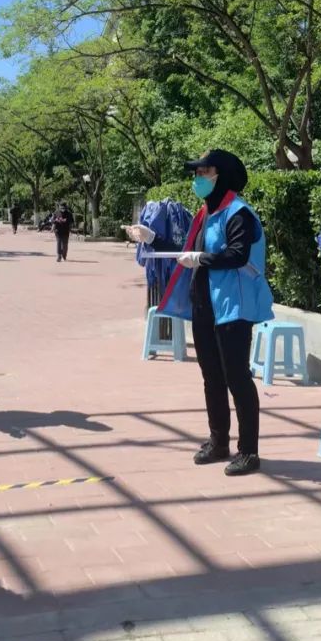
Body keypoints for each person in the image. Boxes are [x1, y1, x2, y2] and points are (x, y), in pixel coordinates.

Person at [124, 149, 274, 476]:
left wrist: (202, 259)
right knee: (212, 377)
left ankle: (249, 451)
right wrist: (151, 238)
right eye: (196, 174)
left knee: (237, 378)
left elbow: (237, 254)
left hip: (234, 307)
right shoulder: (206, 213)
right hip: (205, 305)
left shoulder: (239, 213)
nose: (197, 179)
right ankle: (218, 441)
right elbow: (187, 252)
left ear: (222, 176)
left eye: (203, 173)